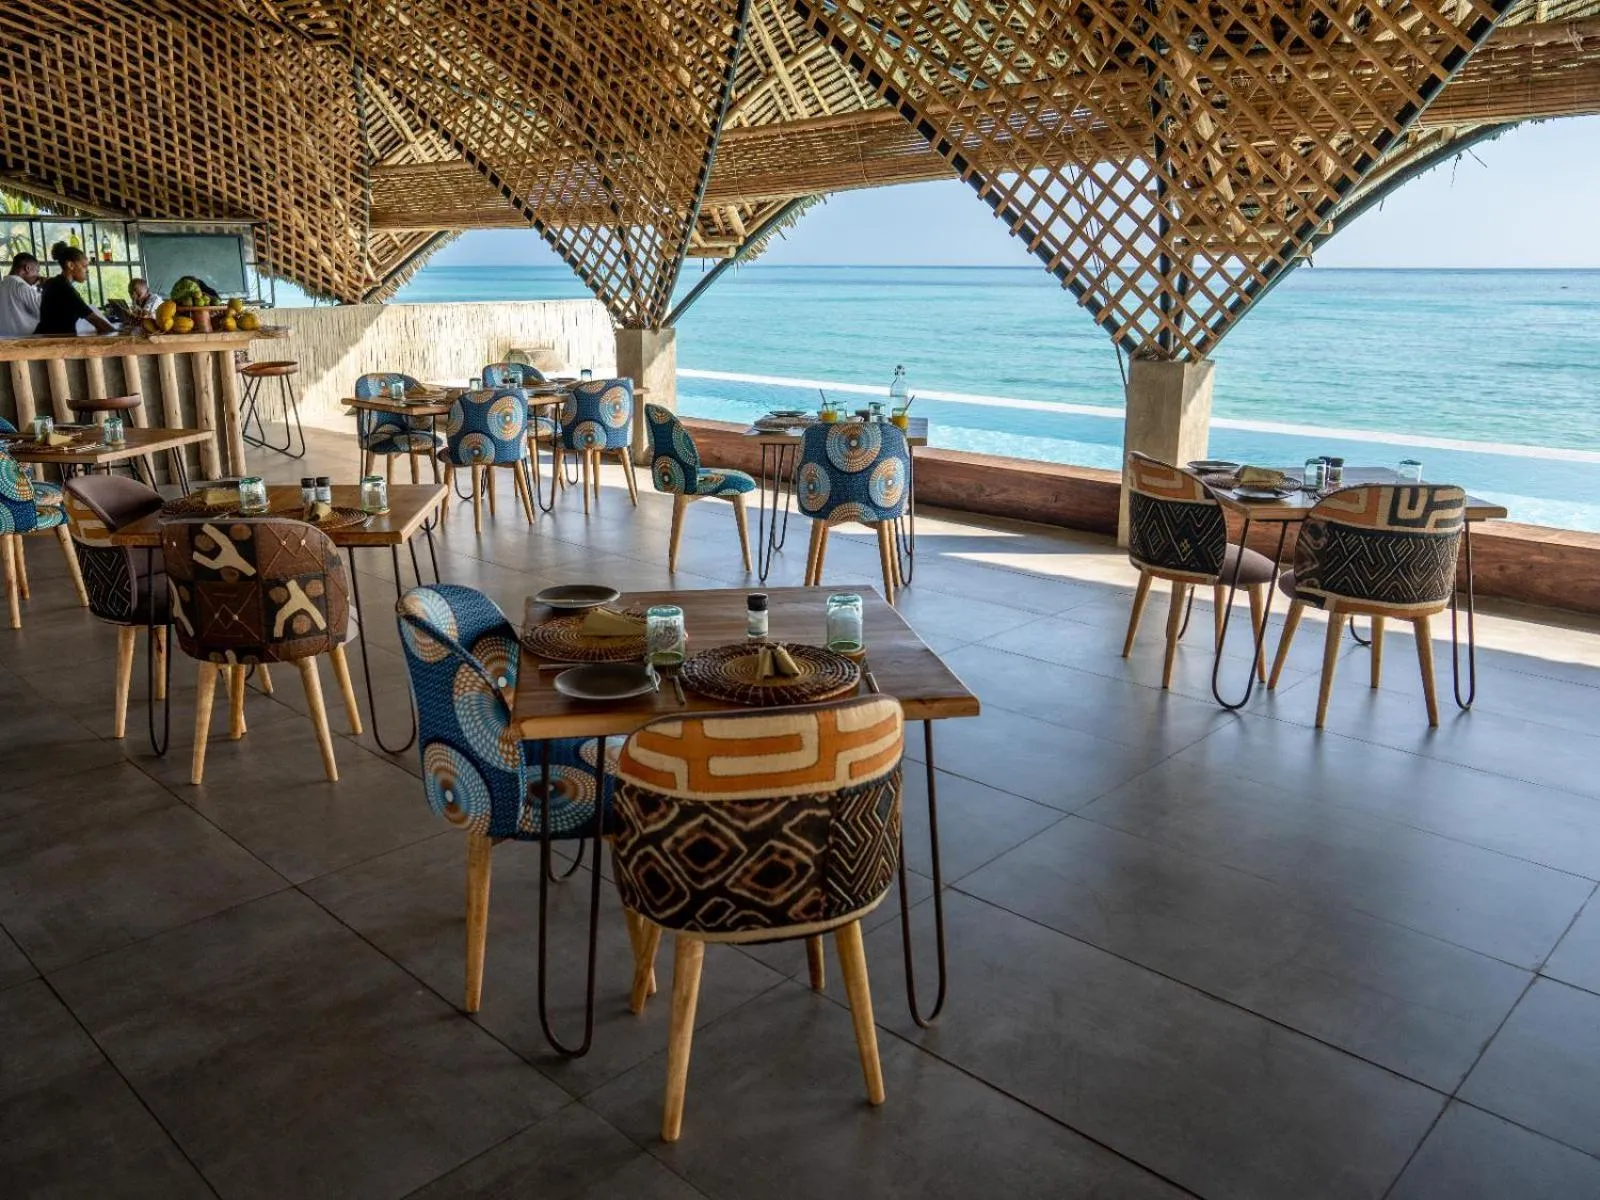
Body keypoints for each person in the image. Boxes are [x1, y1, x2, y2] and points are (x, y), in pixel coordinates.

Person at [36, 241, 112, 335]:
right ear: (70, 265)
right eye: (84, 266)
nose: (87, 271)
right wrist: (120, 333)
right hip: (53, 344)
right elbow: (97, 322)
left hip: (45, 338)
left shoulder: (55, 282)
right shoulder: (64, 289)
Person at [0, 252, 42, 337]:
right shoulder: (21, 286)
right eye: (37, 271)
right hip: (27, 342)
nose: (38, 275)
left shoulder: (2, 284)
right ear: (28, 268)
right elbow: (45, 311)